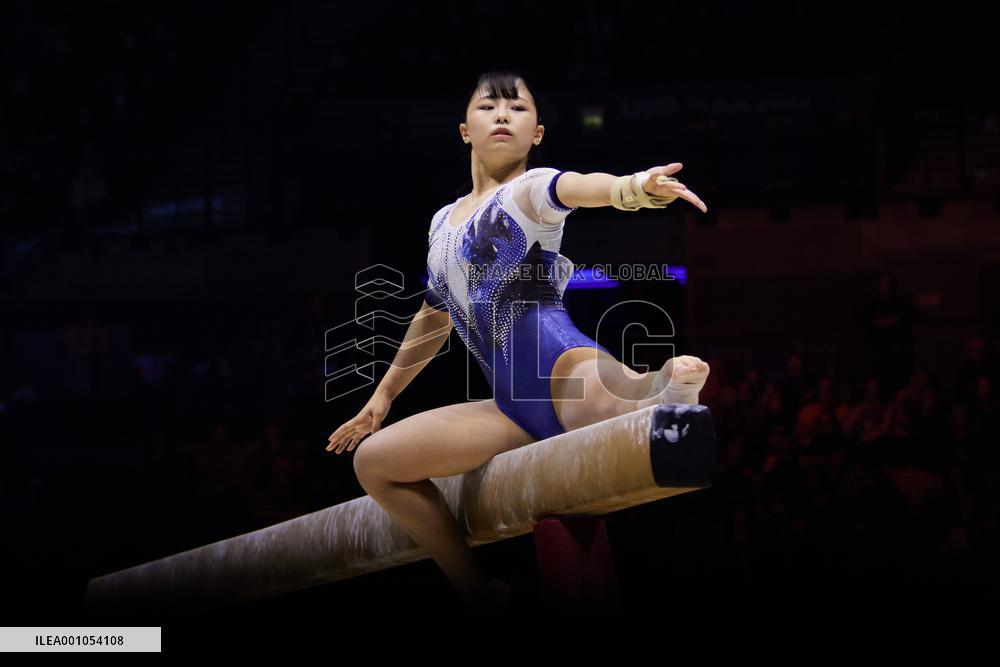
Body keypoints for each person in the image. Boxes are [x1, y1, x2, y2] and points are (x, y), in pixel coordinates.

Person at [325, 71, 710, 613]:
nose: (503, 114)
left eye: (518, 108)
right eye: (488, 107)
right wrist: (381, 399)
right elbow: (434, 316)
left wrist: (634, 188)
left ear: (538, 134)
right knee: (375, 463)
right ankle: (476, 589)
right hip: (508, 408)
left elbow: (581, 186)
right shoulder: (440, 223)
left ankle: (660, 388)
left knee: (607, 398)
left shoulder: (530, 192)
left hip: (558, 370)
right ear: (465, 130)